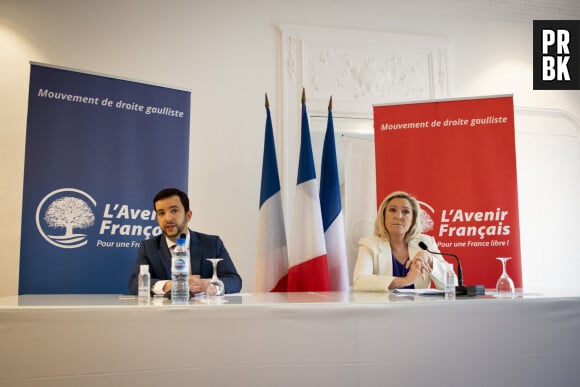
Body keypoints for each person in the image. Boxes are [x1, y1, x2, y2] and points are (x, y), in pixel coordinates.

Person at [128, 188, 242, 295]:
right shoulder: (148, 247)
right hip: (165, 313)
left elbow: (235, 281)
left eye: (174, 211)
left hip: (205, 312)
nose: (168, 218)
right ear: (157, 219)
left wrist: (207, 284)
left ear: (188, 215)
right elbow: (134, 283)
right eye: (161, 213)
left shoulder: (212, 244)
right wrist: (170, 285)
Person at [352, 191, 454, 292]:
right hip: (385, 307)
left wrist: (430, 260)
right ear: (383, 216)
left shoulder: (426, 243)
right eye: (392, 210)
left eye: (405, 211)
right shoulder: (369, 244)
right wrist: (405, 281)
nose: (399, 216)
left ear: (413, 219)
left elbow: (453, 284)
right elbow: (359, 281)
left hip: (419, 307)